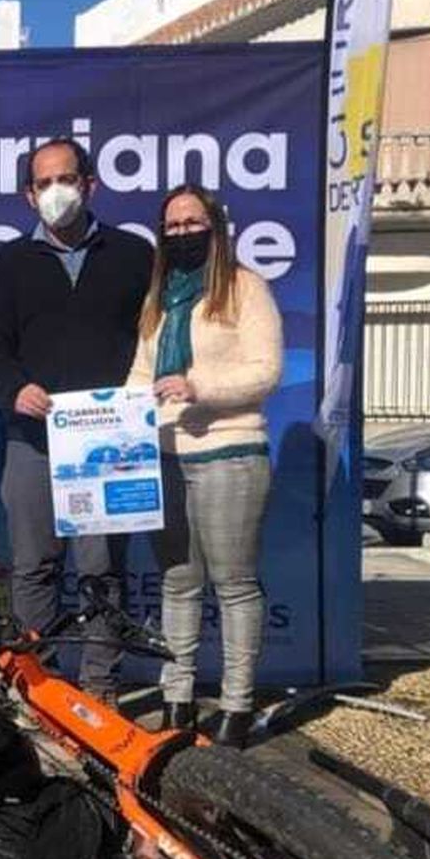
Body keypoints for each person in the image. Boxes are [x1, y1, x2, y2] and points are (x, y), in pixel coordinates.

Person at [0, 137, 155, 697]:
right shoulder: (7, 261)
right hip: (31, 438)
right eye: (44, 182)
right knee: (34, 569)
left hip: (107, 445)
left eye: (66, 179)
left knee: (101, 572)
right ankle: (44, 690)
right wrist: (15, 388)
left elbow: (154, 337)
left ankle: (99, 689)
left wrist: (138, 394)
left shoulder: (133, 255)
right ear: (29, 196)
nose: (56, 191)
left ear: (89, 184)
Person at [128, 184, 282, 749]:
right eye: (172, 226)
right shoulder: (159, 299)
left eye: (193, 223)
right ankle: (178, 696)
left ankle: (238, 704)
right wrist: (112, 415)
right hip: (166, 456)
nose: (183, 233)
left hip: (229, 452)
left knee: (234, 586)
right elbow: (140, 377)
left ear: (215, 227)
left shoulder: (245, 288)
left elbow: (267, 371)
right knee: (178, 584)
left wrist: (199, 387)